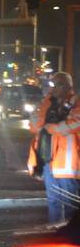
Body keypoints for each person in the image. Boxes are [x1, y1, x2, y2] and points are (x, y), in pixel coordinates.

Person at [28, 72, 80, 225]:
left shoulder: (76, 102)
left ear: (67, 86)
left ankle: (71, 235)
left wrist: (52, 128)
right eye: (52, 84)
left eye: (57, 84)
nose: (53, 88)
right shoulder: (47, 102)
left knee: (70, 203)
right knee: (53, 201)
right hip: (47, 161)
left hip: (67, 163)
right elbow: (34, 126)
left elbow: (77, 122)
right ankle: (55, 233)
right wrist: (38, 121)